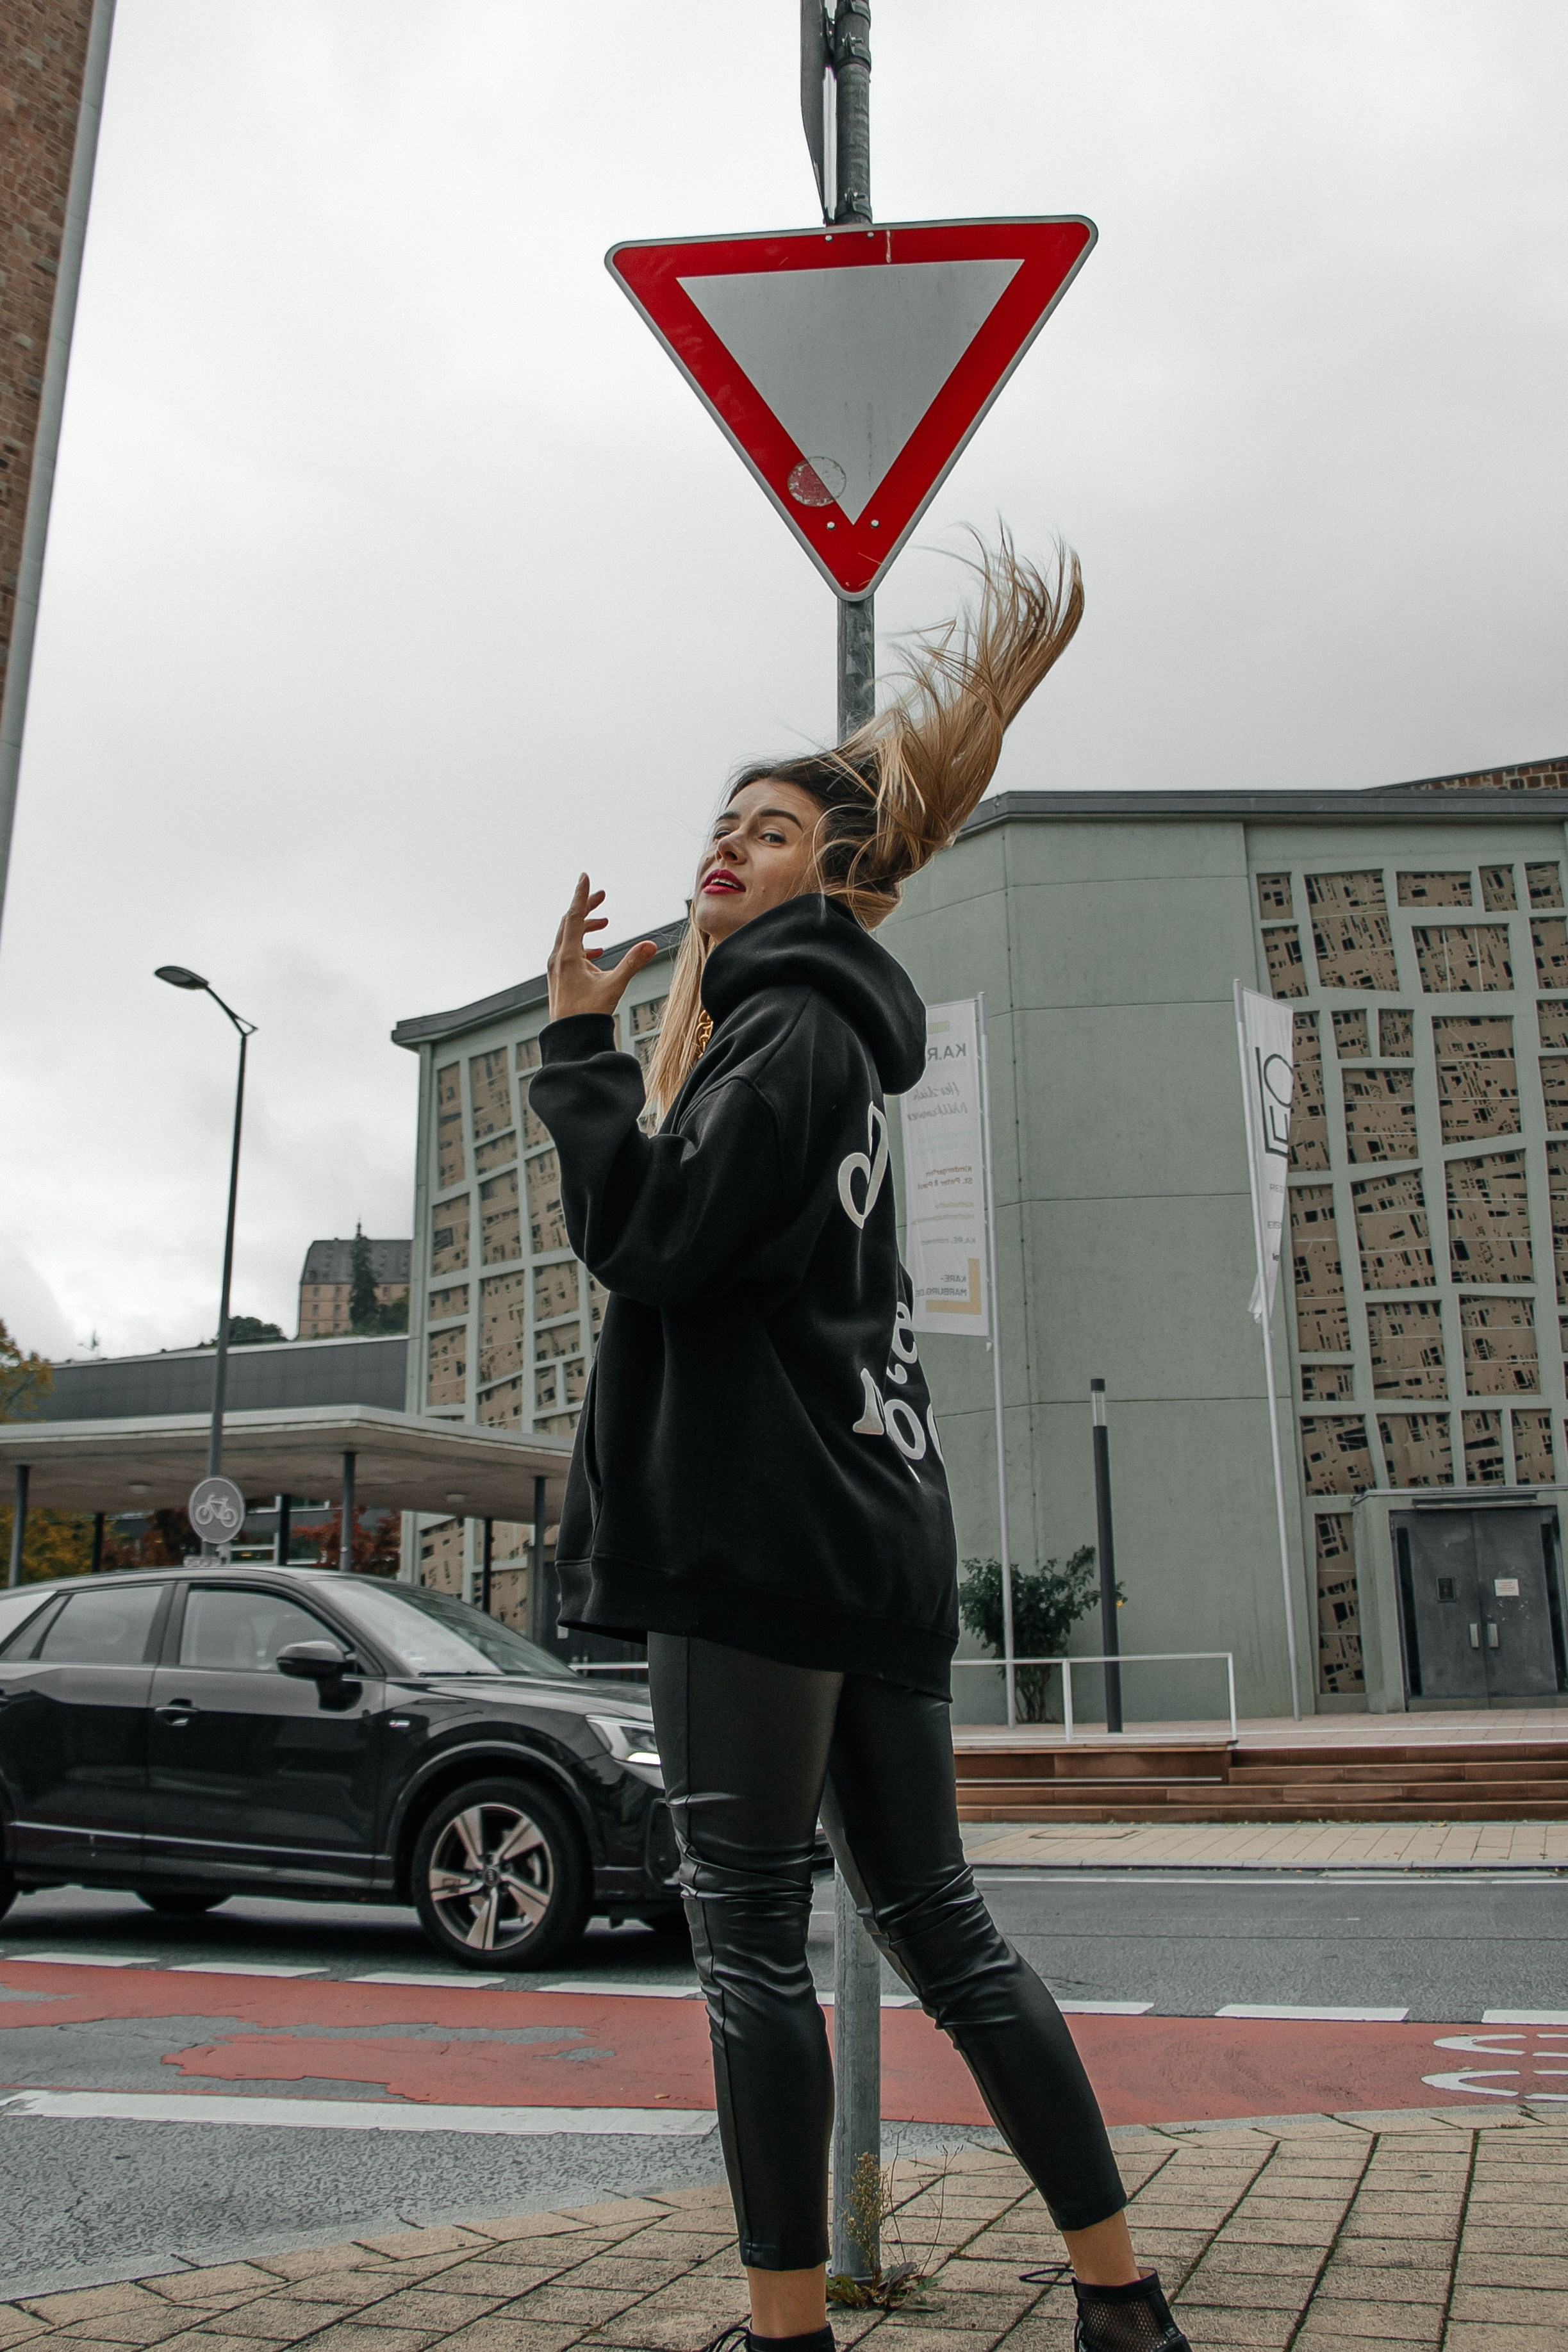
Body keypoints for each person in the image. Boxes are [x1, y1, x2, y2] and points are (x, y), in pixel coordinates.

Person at [531, 538, 1191, 2352]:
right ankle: (1121, 2303)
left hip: (760, 1544)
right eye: (719, 823)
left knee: (751, 1941)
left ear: (831, 865)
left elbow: (650, 1244)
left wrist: (580, 1055)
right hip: (872, 1540)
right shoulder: (824, 1050)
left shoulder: (787, 1035)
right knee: (941, 1931)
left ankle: (787, 2330)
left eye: (763, 826)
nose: (722, 846)